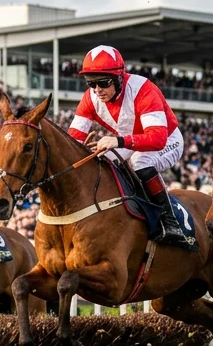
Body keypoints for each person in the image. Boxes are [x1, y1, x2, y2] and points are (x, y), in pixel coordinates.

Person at [68, 45, 190, 248]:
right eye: (91, 83)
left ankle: (171, 222)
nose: (97, 90)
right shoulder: (90, 97)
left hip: (167, 139)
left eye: (103, 83)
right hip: (131, 139)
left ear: (118, 78)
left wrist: (117, 141)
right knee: (100, 159)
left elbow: (157, 139)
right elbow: (73, 137)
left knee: (140, 161)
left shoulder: (143, 89)